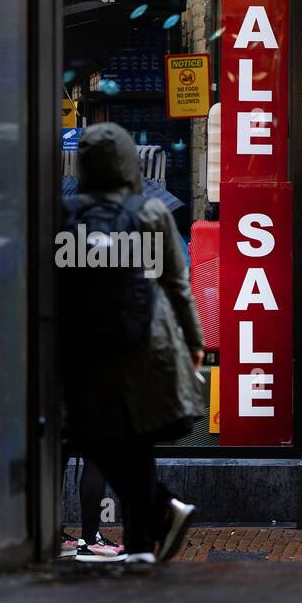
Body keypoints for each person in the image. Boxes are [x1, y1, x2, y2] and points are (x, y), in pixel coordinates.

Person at [58, 122, 200, 564]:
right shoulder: (151, 212)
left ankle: (157, 513)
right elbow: (178, 285)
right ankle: (142, 541)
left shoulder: (62, 212)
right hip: (144, 346)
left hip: (81, 347)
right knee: (135, 442)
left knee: (86, 434)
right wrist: (193, 341)